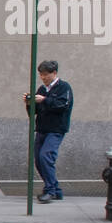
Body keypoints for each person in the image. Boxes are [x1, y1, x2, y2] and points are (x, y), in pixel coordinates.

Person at [23, 60, 73, 203]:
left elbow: (63, 105)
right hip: (42, 129)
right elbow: (35, 112)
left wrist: (44, 100)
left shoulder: (64, 87)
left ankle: (50, 190)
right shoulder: (42, 89)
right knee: (39, 160)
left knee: (46, 156)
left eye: (46, 75)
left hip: (56, 130)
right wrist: (29, 103)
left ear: (54, 73)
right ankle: (56, 190)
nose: (43, 78)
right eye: (41, 75)